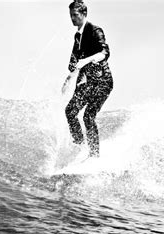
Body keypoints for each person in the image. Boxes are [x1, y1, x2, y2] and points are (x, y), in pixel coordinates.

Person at [63, 0, 113, 157]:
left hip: (102, 81)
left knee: (88, 116)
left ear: (84, 14)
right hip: (88, 82)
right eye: (71, 15)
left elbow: (104, 53)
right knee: (70, 111)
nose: (72, 18)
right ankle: (80, 146)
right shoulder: (77, 36)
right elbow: (73, 63)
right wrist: (69, 78)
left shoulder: (95, 30)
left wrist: (86, 60)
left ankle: (94, 155)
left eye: (75, 15)